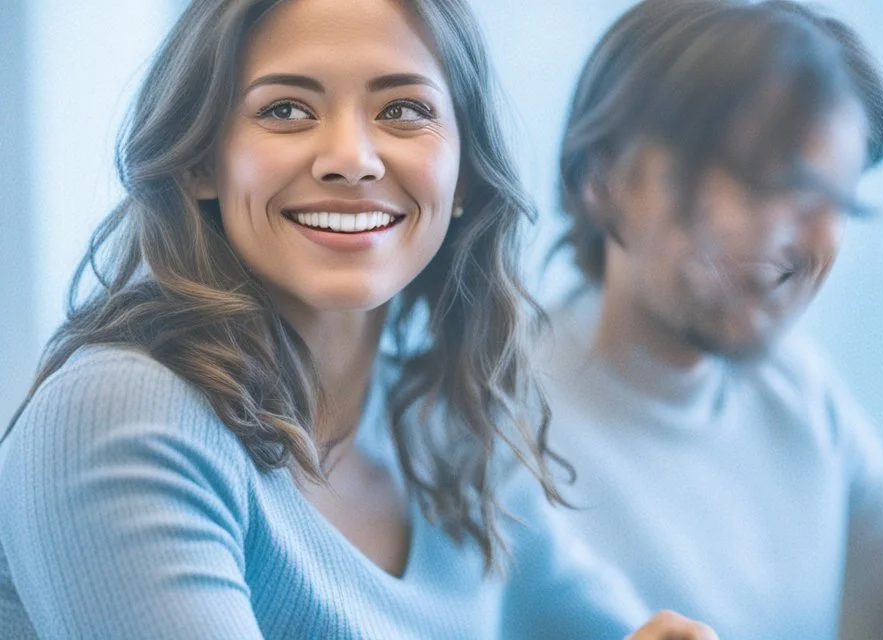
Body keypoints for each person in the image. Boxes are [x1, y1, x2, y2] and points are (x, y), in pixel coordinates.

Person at [0, 1, 715, 638]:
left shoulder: (448, 435)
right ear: (200, 163)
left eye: (403, 110)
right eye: (285, 109)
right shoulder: (119, 416)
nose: (351, 158)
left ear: (462, 174)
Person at [539, 1, 883, 638]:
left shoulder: (795, 391)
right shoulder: (477, 419)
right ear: (604, 182)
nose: (787, 230)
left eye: (828, 192)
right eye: (751, 180)